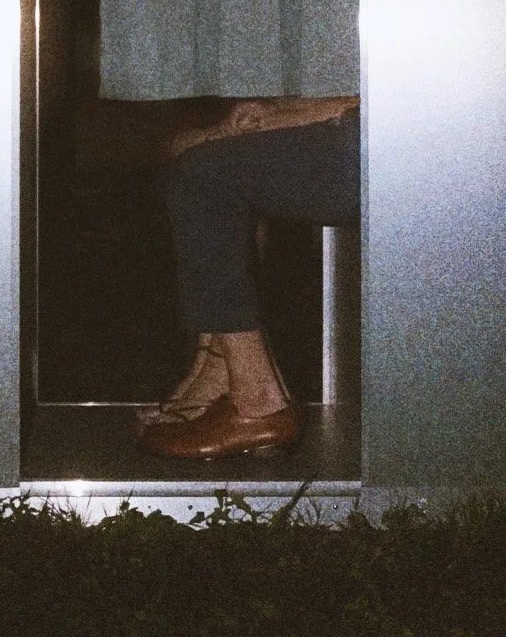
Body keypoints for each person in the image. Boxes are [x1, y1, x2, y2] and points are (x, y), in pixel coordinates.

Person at [138, 94, 359, 459]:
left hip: (396, 138)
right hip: (378, 126)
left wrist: (303, 114)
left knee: (201, 176)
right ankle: (217, 369)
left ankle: (257, 401)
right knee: (201, 156)